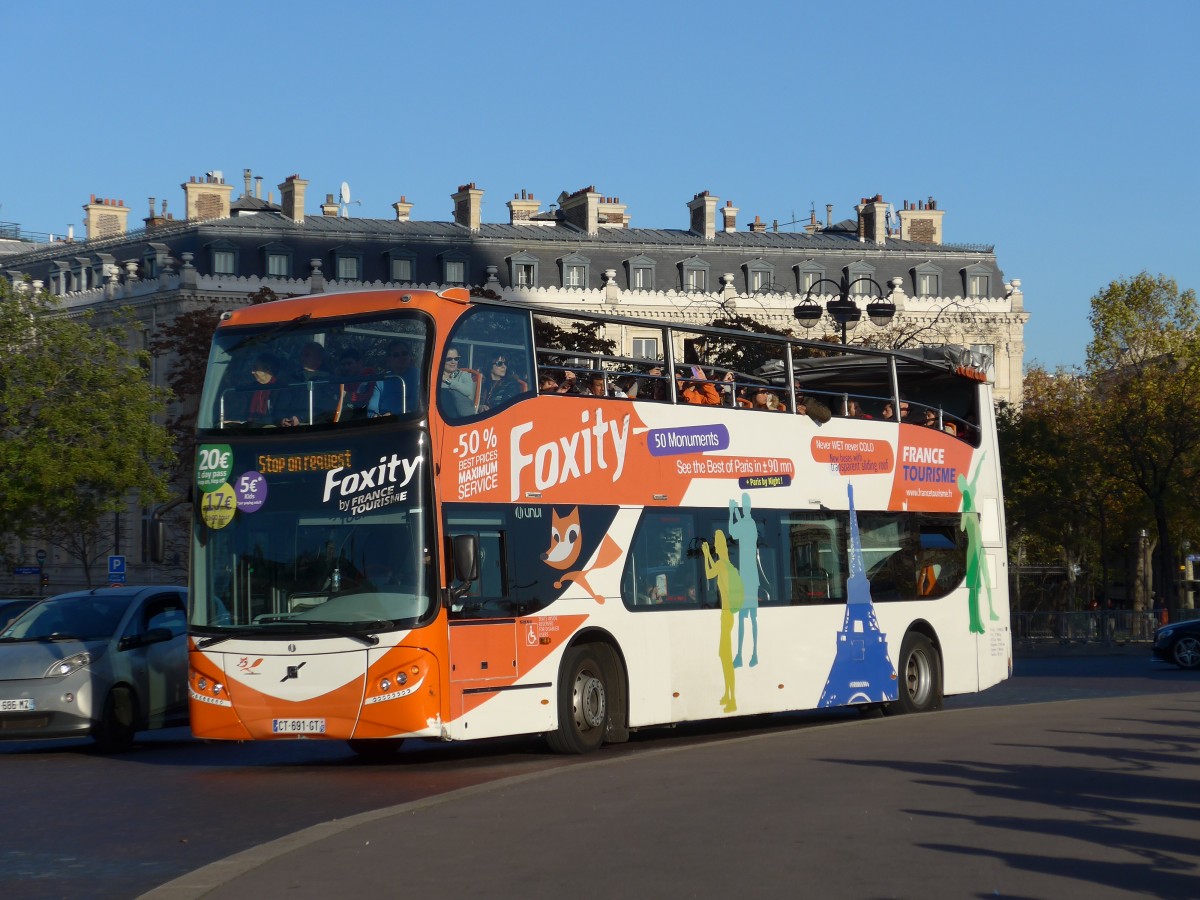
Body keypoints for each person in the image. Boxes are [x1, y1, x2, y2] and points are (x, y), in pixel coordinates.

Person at [371, 341, 421, 416]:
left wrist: (393, 414)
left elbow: (416, 404)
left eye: (404, 353)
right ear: (389, 360)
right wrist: (375, 416)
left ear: (410, 356)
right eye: (396, 355)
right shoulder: (381, 381)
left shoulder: (419, 375)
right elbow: (372, 408)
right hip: (383, 423)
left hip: (409, 421)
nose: (401, 357)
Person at [334, 348, 376, 420]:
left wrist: (347, 395)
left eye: (349, 363)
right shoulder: (343, 379)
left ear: (359, 363)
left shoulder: (371, 378)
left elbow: (371, 397)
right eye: (343, 365)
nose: (346, 367)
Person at [244, 352, 281, 423]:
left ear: (267, 369)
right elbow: (242, 412)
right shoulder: (249, 389)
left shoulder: (282, 389)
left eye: (255, 368)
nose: (252, 372)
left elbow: (279, 416)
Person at [439, 347, 476, 417]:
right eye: (449, 359)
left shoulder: (464, 375)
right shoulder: (435, 377)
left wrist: (447, 381)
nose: (453, 362)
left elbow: (468, 391)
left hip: (460, 416)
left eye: (456, 359)